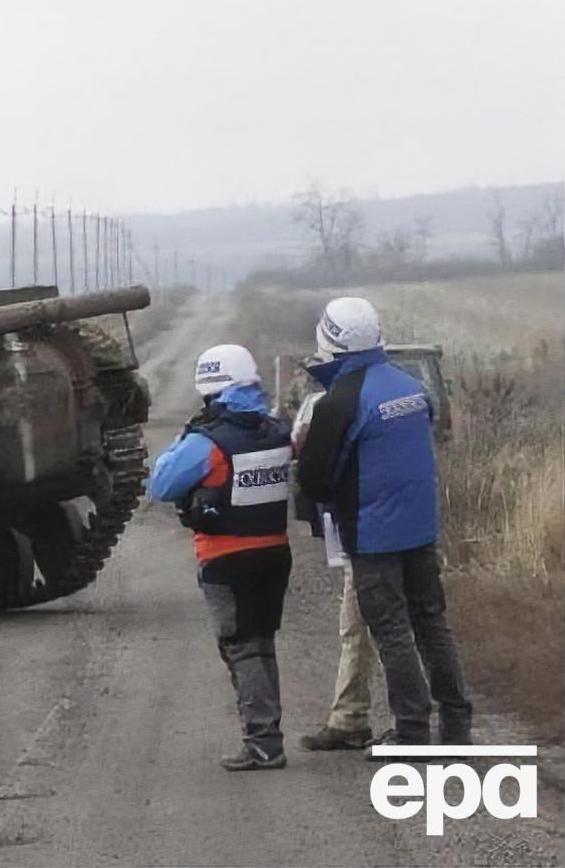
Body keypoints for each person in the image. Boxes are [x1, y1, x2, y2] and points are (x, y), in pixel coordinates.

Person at [297, 297, 472, 750]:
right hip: (421, 529)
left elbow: (313, 478)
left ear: (329, 340)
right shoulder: (411, 387)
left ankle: (412, 731)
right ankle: (456, 726)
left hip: (372, 535)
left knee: (392, 633)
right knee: (432, 625)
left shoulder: (339, 402)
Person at [150, 344, 294, 771]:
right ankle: (267, 734)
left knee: (241, 648)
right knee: (261, 644)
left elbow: (160, 485)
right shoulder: (277, 431)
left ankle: (264, 743)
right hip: (275, 553)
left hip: (226, 559)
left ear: (209, 392)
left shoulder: (206, 443)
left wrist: (184, 439)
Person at [292, 384, 379, 751]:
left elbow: (304, 457)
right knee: (415, 625)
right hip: (399, 528)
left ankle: (352, 719)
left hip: (363, 533)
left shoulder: (324, 404)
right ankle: (446, 720)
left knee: (360, 627)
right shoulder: (404, 393)